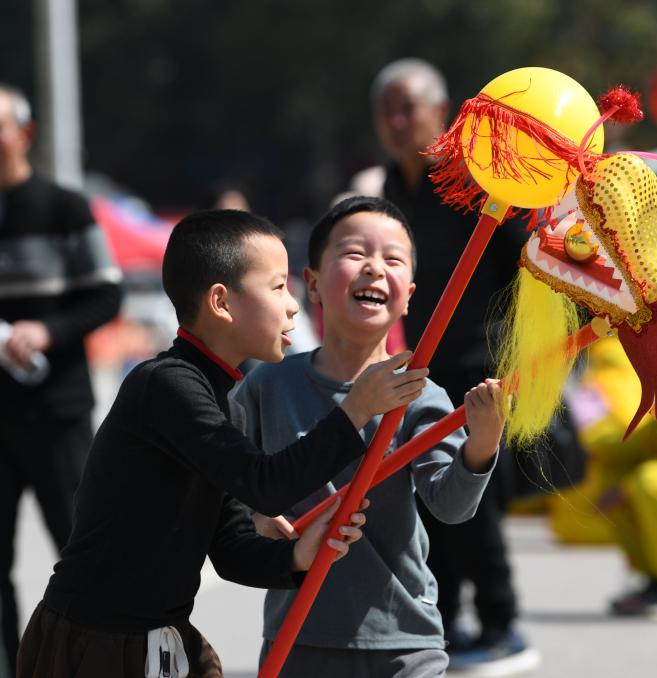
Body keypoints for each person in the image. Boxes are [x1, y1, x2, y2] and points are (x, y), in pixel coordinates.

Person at [16, 209, 427, 677]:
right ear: (221, 302)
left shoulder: (223, 405)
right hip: (95, 641)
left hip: (161, 636)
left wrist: (297, 556)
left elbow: (230, 546)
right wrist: (355, 410)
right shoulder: (166, 385)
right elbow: (265, 486)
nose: (292, 305)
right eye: (278, 287)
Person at [235, 196, 505, 677]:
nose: (375, 268)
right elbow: (224, 480)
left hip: (404, 639)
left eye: (393, 259)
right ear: (312, 284)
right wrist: (254, 515)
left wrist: (481, 445)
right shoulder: (268, 385)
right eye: (355, 253)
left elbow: (449, 506)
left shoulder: (420, 394)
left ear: (409, 295)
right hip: (299, 634)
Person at [370, 58, 539, 672]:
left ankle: (501, 624)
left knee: (476, 498)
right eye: (386, 111)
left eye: (407, 108)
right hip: (423, 367)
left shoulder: (476, 181)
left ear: (440, 113)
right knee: (428, 496)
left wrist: (523, 353)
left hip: (481, 362)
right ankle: (444, 622)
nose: (396, 122)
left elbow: (528, 265)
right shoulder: (389, 188)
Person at [0, 83, 122, 676]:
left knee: (82, 551)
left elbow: (107, 295)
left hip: (57, 413)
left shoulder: (64, 207)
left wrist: (47, 331)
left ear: (24, 134)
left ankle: (97, 663)